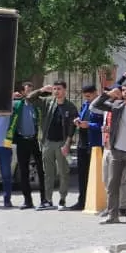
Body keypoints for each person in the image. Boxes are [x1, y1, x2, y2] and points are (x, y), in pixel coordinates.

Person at [92, 82, 126, 224]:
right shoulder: (116, 106)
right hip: (116, 151)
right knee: (112, 184)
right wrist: (108, 94)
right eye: (123, 90)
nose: (125, 92)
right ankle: (112, 215)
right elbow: (96, 105)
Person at [27, 80, 79, 210]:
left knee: (63, 172)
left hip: (62, 143)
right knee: (48, 173)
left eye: (59, 89)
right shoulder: (48, 102)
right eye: (54, 89)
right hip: (48, 142)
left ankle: (62, 199)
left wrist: (67, 143)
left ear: (64, 90)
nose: (56, 91)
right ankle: (48, 200)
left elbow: (72, 128)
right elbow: (29, 98)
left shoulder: (70, 107)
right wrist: (42, 90)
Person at [12, 83, 47, 209]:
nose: (30, 93)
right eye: (28, 90)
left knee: (41, 171)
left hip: (35, 140)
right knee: (24, 171)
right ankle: (28, 200)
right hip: (22, 140)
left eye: (32, 90)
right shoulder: (17, 104)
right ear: (22, 92)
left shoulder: (37, 105)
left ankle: (44, 199)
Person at [70, 84, 104, 211]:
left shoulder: (102, 105)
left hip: (95, 144)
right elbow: (83, 117)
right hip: (82, 144)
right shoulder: (85, 104)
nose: (87, 99)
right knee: (82, 175)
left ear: (96, 93)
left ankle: (96, 201)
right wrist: (78, 120)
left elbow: (103, 125)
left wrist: (89, 125)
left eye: (89, 96)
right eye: (85, 97)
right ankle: (82, 200)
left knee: (95, 175)